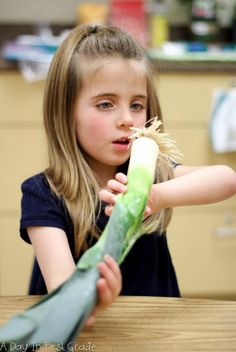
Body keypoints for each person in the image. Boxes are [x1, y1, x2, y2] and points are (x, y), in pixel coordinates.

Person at [20, 24, 236, 325]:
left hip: (153, 329)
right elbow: (64, 296)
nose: (126, 119)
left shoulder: (148, 174)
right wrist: (93, 300)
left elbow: (226, 178)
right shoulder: (45, 193)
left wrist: (155, 195)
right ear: (66, 112)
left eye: (137, 104)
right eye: (106, 104)